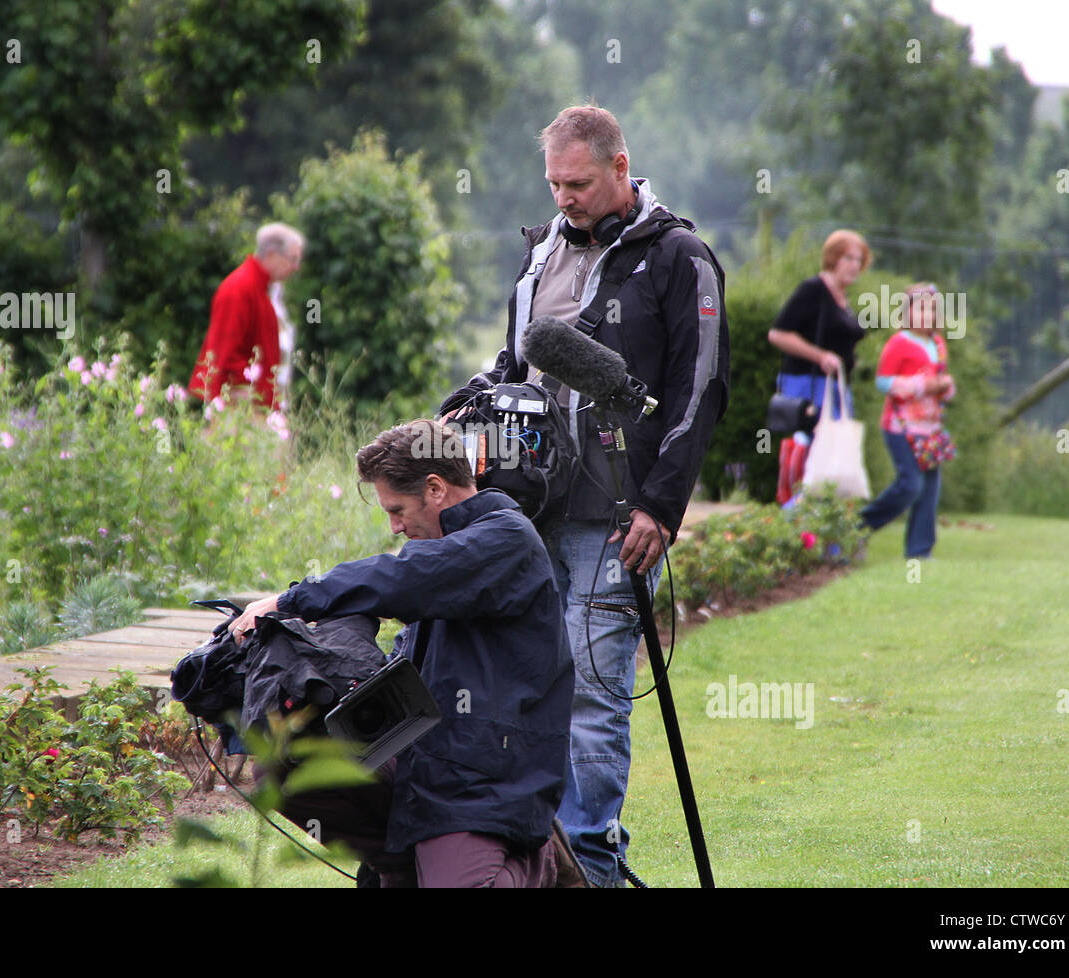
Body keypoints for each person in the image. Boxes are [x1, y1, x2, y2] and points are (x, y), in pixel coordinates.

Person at [438, 105, 730, 887]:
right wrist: (471, 403)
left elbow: (698, 392)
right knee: (531, 687)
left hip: (615, 518)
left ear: (621, 167)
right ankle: (542, 857)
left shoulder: (680, 258)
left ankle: (590, 864)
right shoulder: (541, 254)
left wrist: (661, 507)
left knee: (595, 699)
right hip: (528, 511)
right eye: (554, 184)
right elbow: (516, 362)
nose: (563, 198)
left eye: (578, 182)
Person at [229, 420, 574, 887]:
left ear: (435, 488)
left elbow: (400, 578)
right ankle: (402, 866)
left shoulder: (505, 539)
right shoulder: (446, 549)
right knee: (287, 764)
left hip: (485, 780)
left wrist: (291, 600)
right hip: (429, 766)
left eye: (397, 510)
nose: (394, 527)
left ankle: (542, 863)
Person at [767, 230, 870, 505]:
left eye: (859, 260)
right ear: (833, 258)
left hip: (837, 387)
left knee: (834, 459)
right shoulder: (814, 290)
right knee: (814, 458)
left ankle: (826, 531)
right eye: (848, 257)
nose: (854, 265)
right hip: (808, 386)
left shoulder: (843, 298)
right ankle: (796, 522)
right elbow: (778, 334)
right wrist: (820, 355)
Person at [859, 283, 956, 558]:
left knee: (929, 489)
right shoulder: (899, 343)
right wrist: (922, 385)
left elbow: (941, 378)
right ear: (908, 312)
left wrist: (945, 386)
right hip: (900, 426)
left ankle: (920, 551)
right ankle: (859, 526)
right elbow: (883, 382)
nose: (926, 314)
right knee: (910, 484)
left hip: (931, 427)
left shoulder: (938, 343)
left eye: (931, 309)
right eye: (920, 308)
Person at [189, 222, 305, 408]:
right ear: (272, 254)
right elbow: (225, 354)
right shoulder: (239, 288)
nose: (296, 267)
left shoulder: (267, 290)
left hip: (261, 404)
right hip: (241, 405)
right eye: (292, 259)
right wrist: (249, 401)